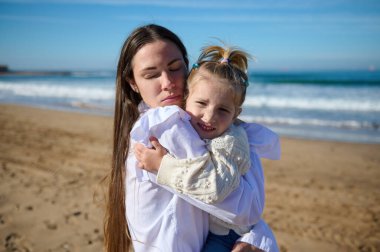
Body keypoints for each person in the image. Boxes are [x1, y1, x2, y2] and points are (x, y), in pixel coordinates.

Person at [104, 23, 280, 252]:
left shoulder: (206, 127)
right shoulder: (166, 125)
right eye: (151, 74)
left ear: (190, 69)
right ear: (132, 83)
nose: (167, 83)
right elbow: (243, 207)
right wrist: (260, 236)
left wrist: (256, 235)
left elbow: (238, 208)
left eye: (175, 68)